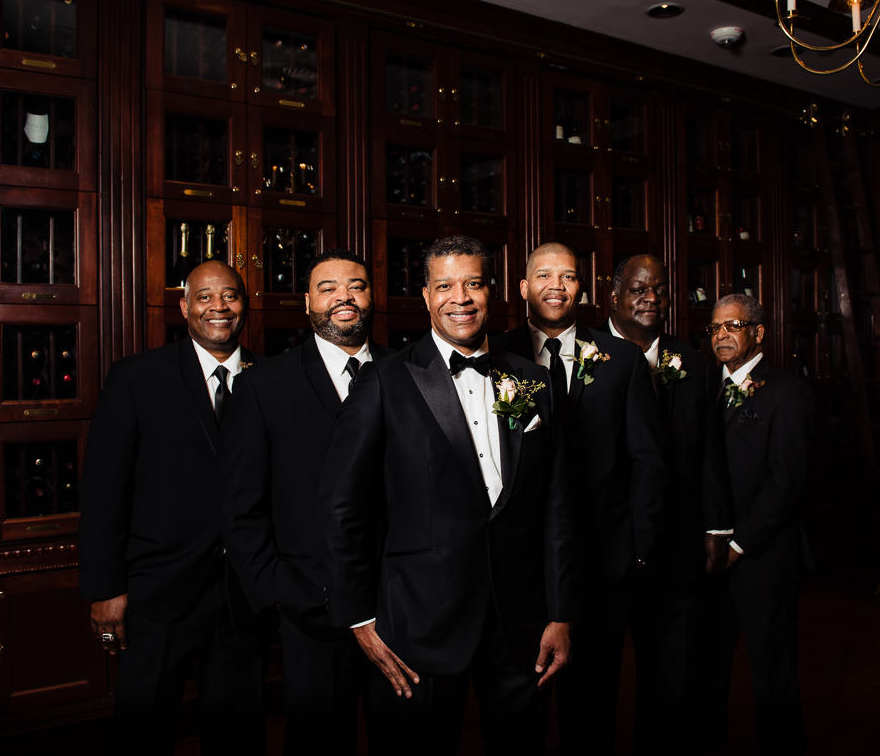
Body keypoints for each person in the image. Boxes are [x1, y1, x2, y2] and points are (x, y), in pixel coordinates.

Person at [319, 234, 575, 756]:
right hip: (416, 626)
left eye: (473, 284)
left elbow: (556, 504)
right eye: (445, 286)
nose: (461, 298)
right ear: (426, 296)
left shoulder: (534, 380)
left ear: (493, 293)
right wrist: (361, 619)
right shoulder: (384, 381)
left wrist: (560, 612)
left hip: (518, 622)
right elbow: (342, 507)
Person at [78, 260, 266, 754]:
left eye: (230, 296)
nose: (218, 307)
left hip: (244, 592)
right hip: (159, 590)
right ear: (184, 307)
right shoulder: (138, 378)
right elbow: (103, 490)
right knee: (145, 727)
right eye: (204, 297)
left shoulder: (271, 378)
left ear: (245, 305)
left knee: (238, 729)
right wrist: (106, 588)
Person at [218, 249, 393, 755]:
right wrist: (282, 591)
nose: (344, 296)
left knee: (404, 736)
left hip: (401, 603)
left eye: (356, 285)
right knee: (319, 740)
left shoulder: (406, 372)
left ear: (371, 295)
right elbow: (238, 507)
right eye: (328, 287)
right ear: (307, 303)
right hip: (311, 608)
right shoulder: (262, 385)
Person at [494, 243, 664, 755]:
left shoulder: (623, 361)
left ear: (581, 289)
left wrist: (636, 550)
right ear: (522, 288)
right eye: (543, 275)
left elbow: (648, 461)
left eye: (567, 276)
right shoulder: (492, 355)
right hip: (519, 568)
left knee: (591, 707)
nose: (556, 285)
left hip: (601, 565)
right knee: (518, 706)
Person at [603, 254, 713, 754]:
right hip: (603, 552)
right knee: (595, 687)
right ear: (615, 295)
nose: (651, 298)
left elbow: (710, 451)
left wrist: (717, 527)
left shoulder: (692, 360)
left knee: (671, 679)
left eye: (661, 291)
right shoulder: (585, 356)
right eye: (639, 289)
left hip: (673, 548)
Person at [702, 293, 814, 755]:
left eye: (733, 326)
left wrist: (739, 545)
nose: (722, 335)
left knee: (773, 673)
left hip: (763, 558)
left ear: (758, 332)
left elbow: (787, 483)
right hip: (709, 559)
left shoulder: (787, 392)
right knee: (709, 668)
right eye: (714, 328)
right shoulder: (706, 388)